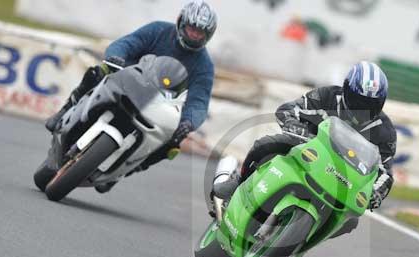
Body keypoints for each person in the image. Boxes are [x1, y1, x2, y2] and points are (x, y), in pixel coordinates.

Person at [45, 0, 217, 190]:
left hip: (160, 105)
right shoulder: (158, 30)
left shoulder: (204, 66)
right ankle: (65, 110)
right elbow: (127, 43)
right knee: (98, 72)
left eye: (199, 32)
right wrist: (115, 57)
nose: (194, 35)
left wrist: (188, 122)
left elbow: (199, 102)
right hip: (129, 81)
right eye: (191, 28)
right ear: (180, 22)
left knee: (173, 144)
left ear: (208, 35)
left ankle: (124, 171)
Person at [214, 61, 396, 234]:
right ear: (347, 91)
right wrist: (293, 125)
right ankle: (239, 180)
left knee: (350, 221)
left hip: (343, 175)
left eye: (370, 105)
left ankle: (302, 240)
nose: (361, 109)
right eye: (358, 101)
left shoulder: (384, 131)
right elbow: (288, 109)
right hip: (305, 148)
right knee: (266, 144)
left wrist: (376, 193)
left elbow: (385, 172)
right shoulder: (328, 96)